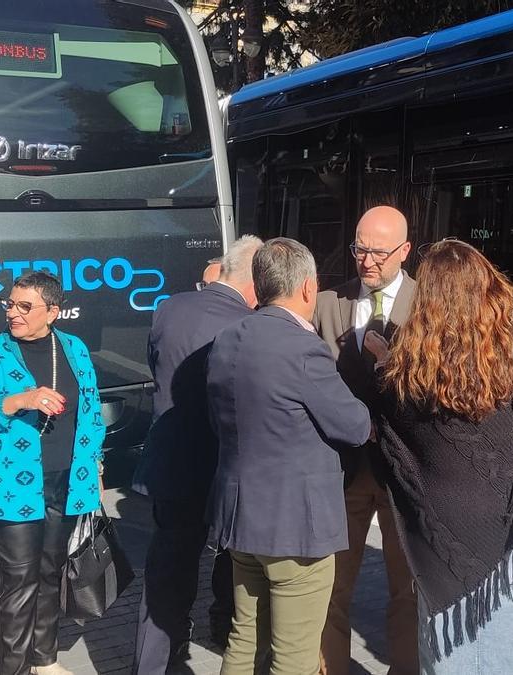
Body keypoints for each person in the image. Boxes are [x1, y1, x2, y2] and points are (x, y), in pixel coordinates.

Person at [371, 239, 513, 674]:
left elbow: (391, 439)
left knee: (454, 648)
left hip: (444, 520)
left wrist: (383, 363)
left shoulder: (405, 369)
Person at [206, 238, 371, 674]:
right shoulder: (303, 349)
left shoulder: (226, 339)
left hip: (241, 518)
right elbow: (354, 426)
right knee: (293, 657)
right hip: (295, 529)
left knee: (244, 639)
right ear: (308, 289)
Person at [0, 272, 106, 675]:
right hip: (10, 490)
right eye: (10, 304)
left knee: (51, 573)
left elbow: (91, 413)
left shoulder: (73, 349)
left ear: (52, 312)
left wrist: (95, 464)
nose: (13, 313)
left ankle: (45, 660)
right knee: (17, 588)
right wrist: (16, 401)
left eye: (25, 306)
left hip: (66, 483)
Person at [133, 236, 262, 673]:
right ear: (252, 281)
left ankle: (153, 662)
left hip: (173, 462)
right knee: (233, 561)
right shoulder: (249, 323)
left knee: (167, 572)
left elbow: (157, 368)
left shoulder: (170, 308)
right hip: (225, 465)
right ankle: (227, 636)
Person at [315, 205, 418, 675]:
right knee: (331, 587)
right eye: (360, 249)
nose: (367, 261)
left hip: (403, 473)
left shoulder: (427, 306)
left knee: (408, 588)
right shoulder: (325, 302)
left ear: (405, 250)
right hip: (344, 470)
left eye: (378, 252)